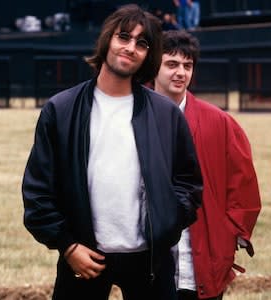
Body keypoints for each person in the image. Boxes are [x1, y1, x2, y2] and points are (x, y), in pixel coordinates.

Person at [22, 4, 202, 299]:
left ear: (149, 55)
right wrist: (67, 245)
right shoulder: (62, 109)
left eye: (142, 43)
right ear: (108, 40)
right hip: (83, 257)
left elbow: (189, 183)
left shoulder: (166, 114)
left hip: (151, 260)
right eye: (124, 37)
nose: (131, 48)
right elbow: (38, 190)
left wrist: (166, 227)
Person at [153, 30, 262, 300]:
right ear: (153, 66)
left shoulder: (219, 122)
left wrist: (230, 233)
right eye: (171, 64)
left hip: (203, 256)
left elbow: (243, 183)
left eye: (187, 66)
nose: (180, 73)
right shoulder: (132, 117)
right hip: (150, 261)